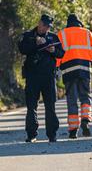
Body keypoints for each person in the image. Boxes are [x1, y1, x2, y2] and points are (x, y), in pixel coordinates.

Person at [18, 14, 65, 143]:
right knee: (31, 106)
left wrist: (53, 50)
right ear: (39, 23)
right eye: (44, 25)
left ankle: (52, 134)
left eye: (48, 26)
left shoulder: (53, 37)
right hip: (32, 76)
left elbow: (61, 53)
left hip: (48, 76)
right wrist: (35, 43)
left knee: (50, 106)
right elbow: (22, 49)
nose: (46, 28)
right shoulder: (28, 35)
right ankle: (31, 134)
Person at [57, 14, 92, 139]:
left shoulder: (62, 34)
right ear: (79, 22)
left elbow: (57, 53)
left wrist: (58, 66)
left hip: (69, 71)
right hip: (85, 69)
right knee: (85, 97)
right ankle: (85, 119)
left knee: (72, 99)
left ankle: (73, 130)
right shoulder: (87, 33)